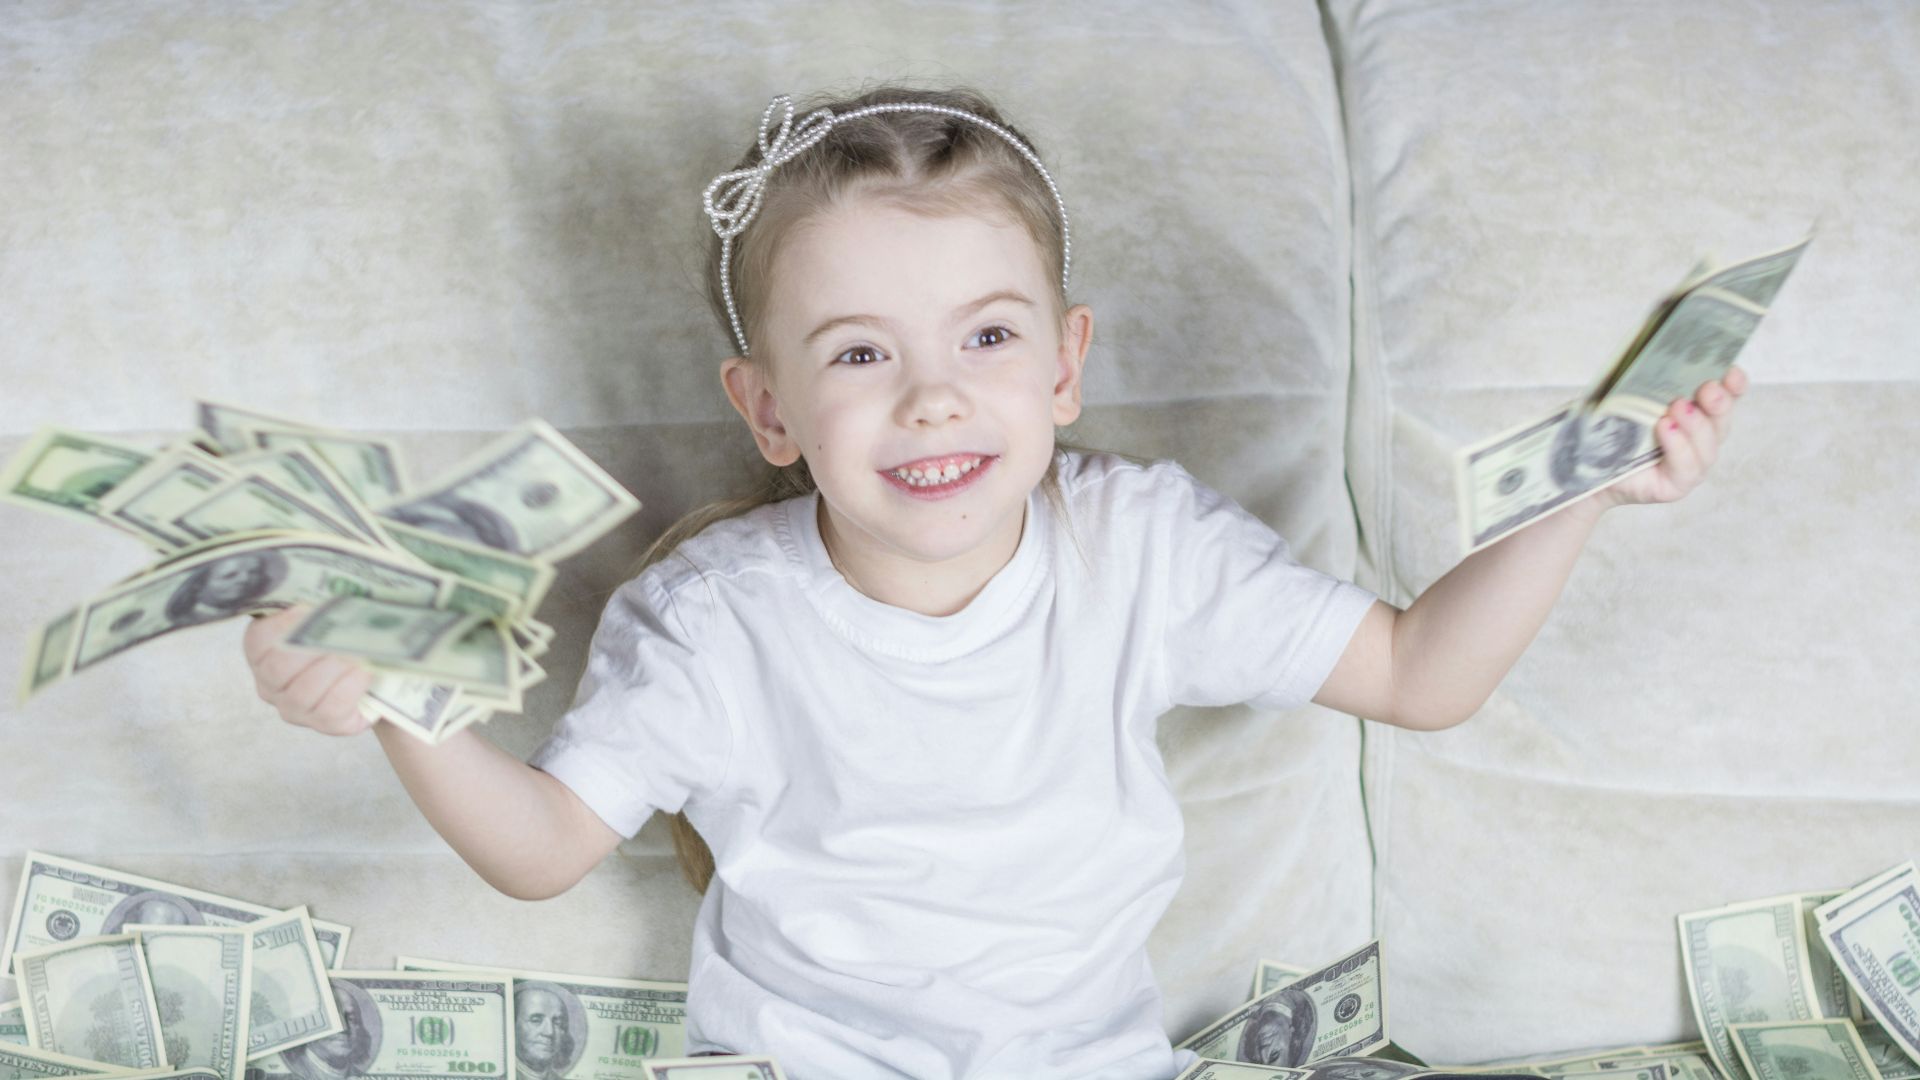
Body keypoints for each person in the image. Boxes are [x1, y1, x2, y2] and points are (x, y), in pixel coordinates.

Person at [239, 82, 1748, 1080]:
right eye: (857, 355)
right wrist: (401, 702)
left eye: (987, 338)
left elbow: (1424, 675)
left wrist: (1591, 490)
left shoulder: (1139, 549)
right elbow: (547, 846)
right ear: (768, 409)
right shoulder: (718, 619)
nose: (935, 398)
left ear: (1067, 365)